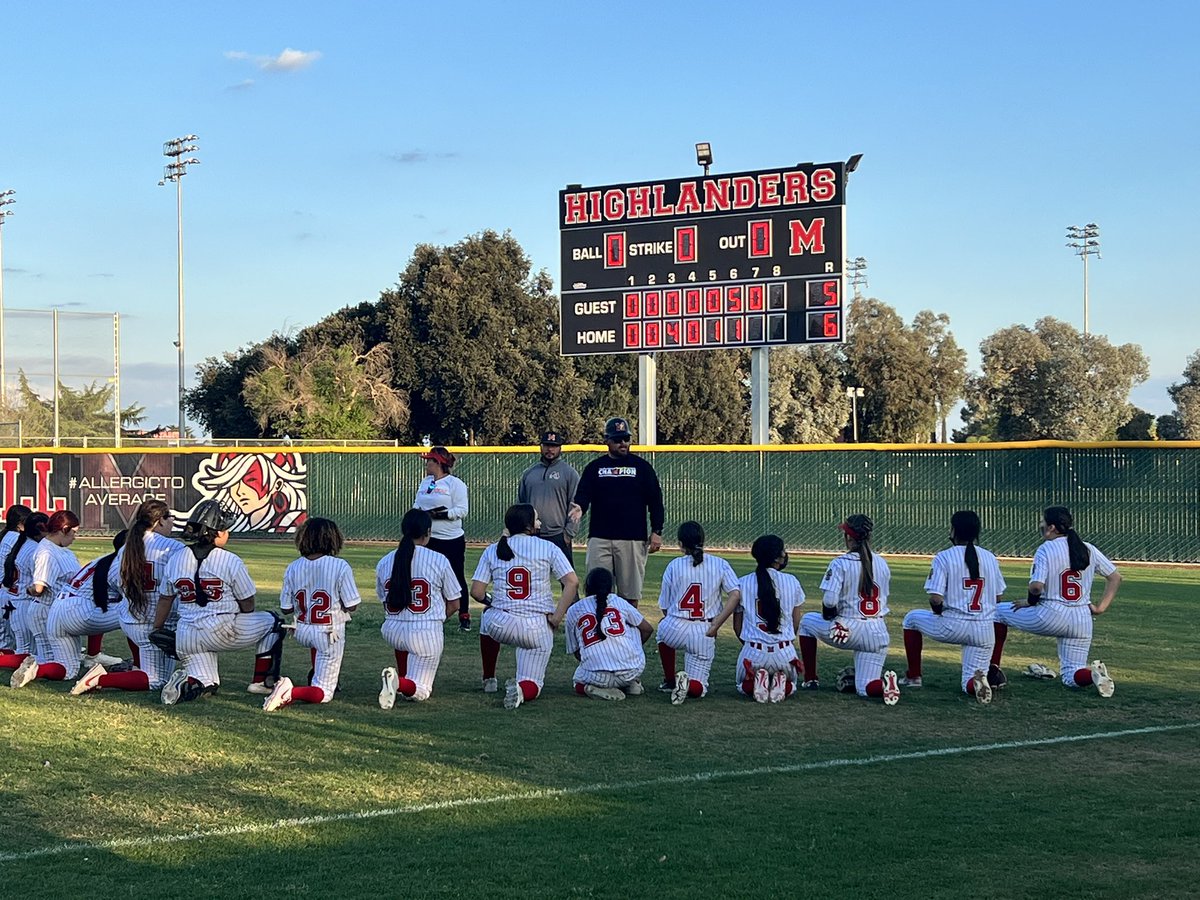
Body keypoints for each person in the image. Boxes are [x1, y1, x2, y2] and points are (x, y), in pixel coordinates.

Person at [155, 500, 285, 705]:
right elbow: (247, 602)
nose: (227, 533)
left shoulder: (176, 558)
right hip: (222, 629)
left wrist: (157, 627)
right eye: (225, 529)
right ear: (216, 532)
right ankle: (262, 682)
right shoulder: (229, 560)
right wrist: (242, 619)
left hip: (187, 634)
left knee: (207, 684)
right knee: (275, 622)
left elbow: (165, 598)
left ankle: (183, 685)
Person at [990, 506, 1120, 697]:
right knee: (1071, 676)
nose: (1040, 525)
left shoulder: (1046, 549)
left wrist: (1029, 602)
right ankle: (1092, 674)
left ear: (1051, 527)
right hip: (1082, 618)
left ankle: (992, 671)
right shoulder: (1087, 548)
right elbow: (1115, 577)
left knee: (995, 611)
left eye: (1042, 521)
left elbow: (1036, 587)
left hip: (1051, 613)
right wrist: (1100, 608)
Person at [471, 503, 579, 710]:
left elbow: (476, 592)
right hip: (535, 627)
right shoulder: (548, 547)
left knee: (487, 616)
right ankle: (521, 690)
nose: (540, 523)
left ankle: (489, 678)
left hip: (500, 623)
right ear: (529, 526)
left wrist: (492, 602)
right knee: (532, 683)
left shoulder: (494, 549)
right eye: (536, 519)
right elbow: (572, 582)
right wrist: (556, 617)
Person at [901, 510, 1006, 704]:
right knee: (968, 681)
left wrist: (939, 613)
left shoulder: (944, 557)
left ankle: (914, 676)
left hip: (953, 625)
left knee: (911, 619)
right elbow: (998, 597)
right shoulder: (990, 558)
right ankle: (977, 682)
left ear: (954, 530)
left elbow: (935, 598)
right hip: (984, 630)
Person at [797, 515, 900, 705]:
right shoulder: (882, 563)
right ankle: (885, 684)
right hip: (877, 632)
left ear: (849, 537)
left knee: (806, 622)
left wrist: (831, 617)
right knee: (865, 688)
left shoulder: (840, 563)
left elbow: (829, 602)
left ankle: (810, 679)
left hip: (847, 628)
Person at [263, 517, 362, 712]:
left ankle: (316, 673)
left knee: (320, 655)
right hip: (328, 632)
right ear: (333, 539)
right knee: (323, 693)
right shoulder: (340, 566)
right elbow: (352, 606)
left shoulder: (293, 566)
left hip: (301, 629)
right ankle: (289, 692)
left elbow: (286, 608)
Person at [568, 416, 664, 605]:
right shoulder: (595, 467)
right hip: (600, 537)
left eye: (626, 439)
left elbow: (655, 501)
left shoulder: (642, 468)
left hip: (632, 538)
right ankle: (599, 631)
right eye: (617, 439)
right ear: (607, 441)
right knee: (596, 592)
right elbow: (584, 494)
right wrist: (579, 506)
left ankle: (628, 633)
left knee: (630, 594)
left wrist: (657, 531)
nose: (623, 443)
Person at [95, 500, 185, 695]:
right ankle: (100, 679)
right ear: (160, 521)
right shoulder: (173, 547)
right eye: (171, 518)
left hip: (132, 619)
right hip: (158, 623)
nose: (172, 522)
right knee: (156, 681)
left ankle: (125, 672)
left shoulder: (127, 547)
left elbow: (113, 580)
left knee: (164, 677)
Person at [375, 509, 461, 708]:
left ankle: (400, 679)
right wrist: (437, 619)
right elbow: (455, 603)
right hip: (424, 632)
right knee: (421, 691)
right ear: (428, 532)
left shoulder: (385, 561)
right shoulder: (438, 559)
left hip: (392, 629)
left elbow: (384, 600)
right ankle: (398, 682)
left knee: (407, 644)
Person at [708, 534, 805, 703]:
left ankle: (756, 682)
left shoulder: (743, 582)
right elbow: (796, 622)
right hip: (785, 652)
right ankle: (782, 682)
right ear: (776, 557)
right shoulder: (792, 581)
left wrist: (748, 644)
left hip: (754, 652)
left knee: (741, 685)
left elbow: (737, 627)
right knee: (793, 684)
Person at [655, 521, 741, 705]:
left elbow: (664, 605)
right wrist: (717, 623)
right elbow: (735, 594)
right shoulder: (720, 564)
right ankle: (686, 683)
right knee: (699, 688)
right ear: (703, 540)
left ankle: (669, 679)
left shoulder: (674, 565)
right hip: (704, 629)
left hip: (675, 626)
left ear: (680, 543)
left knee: (662, 631)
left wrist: (672, 618)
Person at [8, 510, 81, 687]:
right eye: (74, 532)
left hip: (54, 610)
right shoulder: (45, 552)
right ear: (64, 529)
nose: (75, 537)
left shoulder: (58, 549)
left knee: (56, 661)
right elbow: (39, 588)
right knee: (65, 668)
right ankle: (32, 672)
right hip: (45, 610)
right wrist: (29, 589)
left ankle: (31, 670)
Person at [54, 532, 131, 694]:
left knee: (67, 671)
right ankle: (139, 665)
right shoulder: (119, 565)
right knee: (137, 614)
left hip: (57, 612)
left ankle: (35, 670)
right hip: (78, 613)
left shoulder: (102, 560)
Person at [564, 567, 652, 700]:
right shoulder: (619, 602)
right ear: (611, 586)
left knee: (578, 681)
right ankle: (631, 684)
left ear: (587, 586)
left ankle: (595, 688)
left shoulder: (573, 610)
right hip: (630, 671)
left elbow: (576, 652)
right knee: (633, 626)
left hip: (596, 676)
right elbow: (647, 629)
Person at [413, 446, 471, 632]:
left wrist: (443, 515)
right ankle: (432, 610)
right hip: (428, 538)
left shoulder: (455, 484)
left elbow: (462, 510)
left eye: (429, 461)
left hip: (450, 538)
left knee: (456, 575)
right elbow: (417, 504)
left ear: (438, 463)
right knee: (428, 575)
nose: (426, 464)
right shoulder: (426, 482)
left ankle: (464, 614)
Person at [517, 430, 581, 566]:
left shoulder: (569, 473)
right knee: (531, 577)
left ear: (560, 448)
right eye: (546, 445)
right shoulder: (529, 473)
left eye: (554, 446)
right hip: (532, 535)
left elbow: (576, 505)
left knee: (569, 581)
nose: (550, 449)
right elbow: (521, 504)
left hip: (558, 535)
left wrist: (568, 534)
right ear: (541, 446)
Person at [0, 512, 49, 676]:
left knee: (19, 646)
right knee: (27, 652)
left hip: (11, 599)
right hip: (23, 602)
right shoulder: (35, 549)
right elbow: (40, 583)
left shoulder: (21, 543)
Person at [0, 504, 32, 653]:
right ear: (20, 524)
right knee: (18, 645)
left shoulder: (5, 535)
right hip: (7, 592)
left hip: (4, 591)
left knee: (6, 639)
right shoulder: (16, 539)